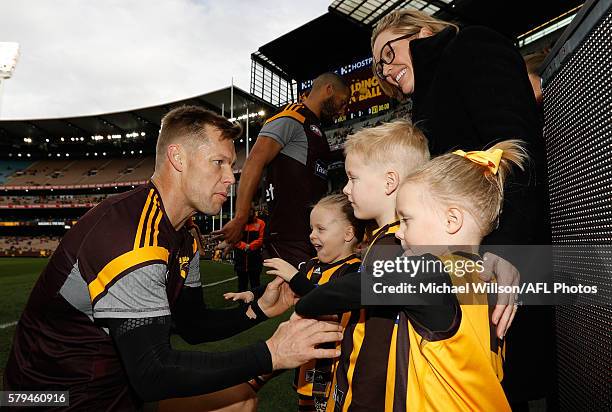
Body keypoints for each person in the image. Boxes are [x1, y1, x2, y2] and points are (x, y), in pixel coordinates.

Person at [3, 106, 343, 412]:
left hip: (115, 387)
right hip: (49, 395)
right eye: (218, 163)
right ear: (177, 158)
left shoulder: (184, 234)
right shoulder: (133, 238)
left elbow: (193, 325)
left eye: (231, 165)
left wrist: (261, 309)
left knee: (238, 400)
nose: (230, 177)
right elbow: (153, 372)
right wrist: (271, 352)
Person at [370, 10, 553, 407]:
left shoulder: (469, 46)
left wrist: (506, 250)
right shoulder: (426, 98)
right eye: (378, 67)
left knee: (515, 386)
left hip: (509, 257)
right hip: (468, 267)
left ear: (422, 31)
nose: (385, 70)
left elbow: (516, 150)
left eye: (388, 52)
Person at [295, 121, 519, 411]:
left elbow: (342, 293)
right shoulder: (482, 275)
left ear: (452, 221)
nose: (400, 231)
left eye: (408, 219)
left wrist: (303, 299)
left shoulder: (431, 274)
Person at [226, 194, 364, 412]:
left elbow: (328, 303)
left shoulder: (354, 271)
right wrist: (253, 295)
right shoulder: (311, 265)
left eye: (321, 229)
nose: (312, 235)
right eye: (311, 229)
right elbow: (284, 287)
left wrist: (296, 278)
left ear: (348, 234)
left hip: (332, 369)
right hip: (304, 365)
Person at [214, 72, 351, 268]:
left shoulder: (315, 128)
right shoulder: (292, 117)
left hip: (309, 236)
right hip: (288, 237)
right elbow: (253, 162)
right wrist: (241, 217)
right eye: (343, 101)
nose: (343, 109)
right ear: (329, 90)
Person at [234, 204, 265, 291]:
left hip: (255, 261)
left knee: (255, 285)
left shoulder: (260, 223)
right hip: (240, 261)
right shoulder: (238, 223)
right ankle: (242, 304)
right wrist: (245, 246)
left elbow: (261, 239)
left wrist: (250, 246)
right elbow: (235, 239)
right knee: (241, 286)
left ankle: (255, 303)